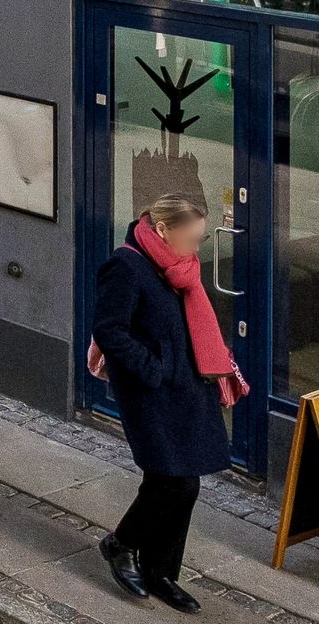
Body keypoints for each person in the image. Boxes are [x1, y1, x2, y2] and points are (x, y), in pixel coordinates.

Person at [91, 193, 246, 611]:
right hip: (150, 391)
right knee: (173, 482)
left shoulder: (180, 266)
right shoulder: (126, 266)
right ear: (163, 230)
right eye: (192, 238)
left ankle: (159, 572)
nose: (196, 248)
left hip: (188, 386)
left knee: (182, 482)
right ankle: (120, 545)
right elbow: (110, 330)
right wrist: (154, 369)